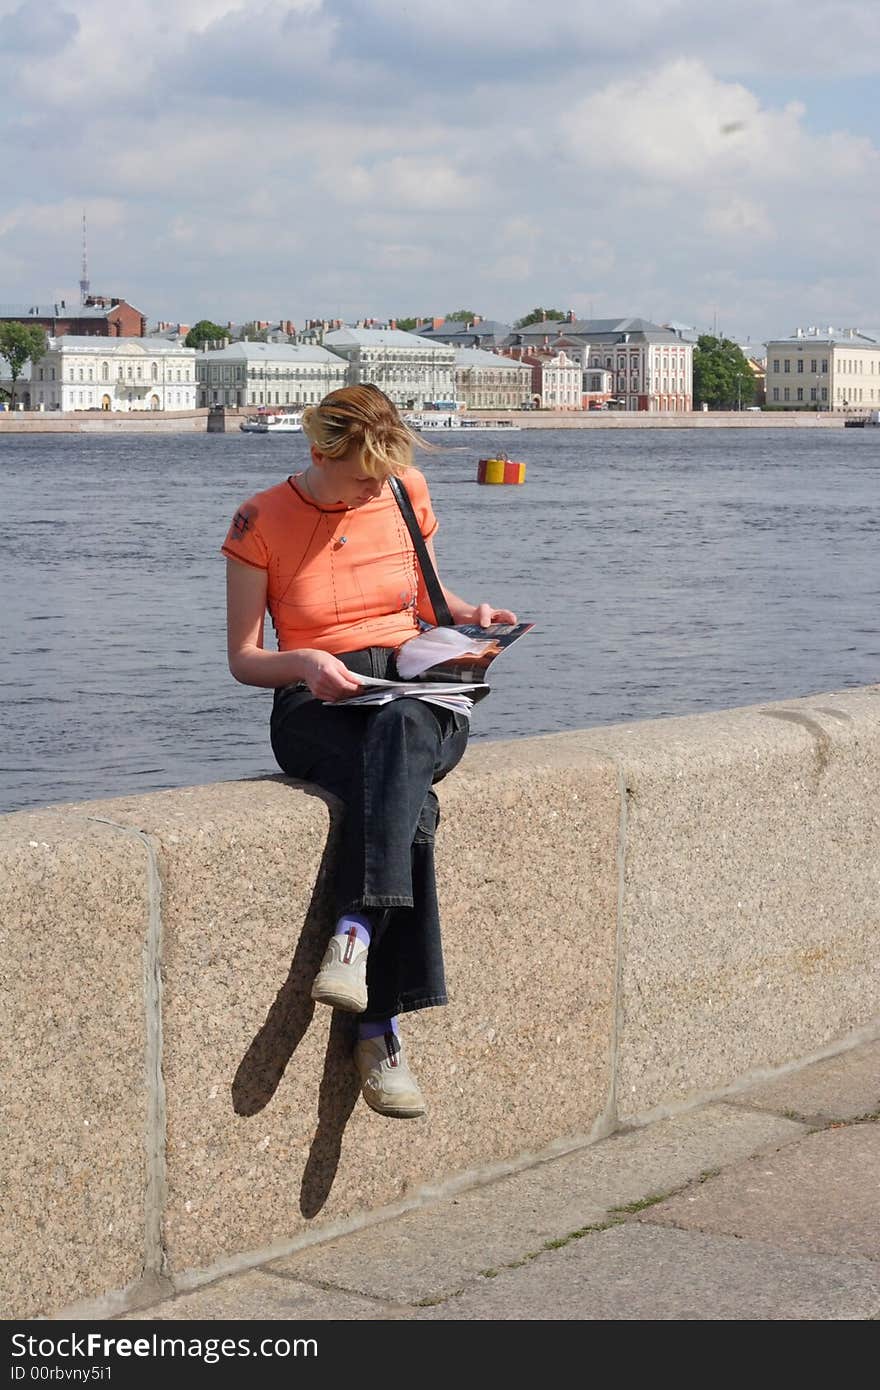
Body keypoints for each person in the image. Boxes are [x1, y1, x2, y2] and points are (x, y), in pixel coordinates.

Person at [222, 384, 516, 1120]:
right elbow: (244, 657)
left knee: (406, 731)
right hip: (318, 699)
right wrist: (307, 663)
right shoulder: (261, 518)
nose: (376, 485)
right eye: (363, 475)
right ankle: (377, 1029)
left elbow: (431, 602)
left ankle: (354, 937)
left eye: (387, 472)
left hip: (415, 688)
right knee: (407, 801)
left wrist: (470, 620)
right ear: (320, 452)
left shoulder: (402, 488)